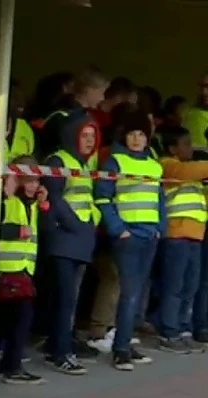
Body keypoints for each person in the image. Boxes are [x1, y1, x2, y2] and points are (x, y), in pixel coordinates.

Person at [94, 108, 162, 371]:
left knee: (137, 292)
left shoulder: (154, 164)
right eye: (132, 134)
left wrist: (159, 227)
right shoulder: (114, 161)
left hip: (149, 234)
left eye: (141, 134)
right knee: (130, 293)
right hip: (128, 235)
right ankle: (120, 349)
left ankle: (125, 343)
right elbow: (103, 197)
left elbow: (160, 200)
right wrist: (118, 229)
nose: (136, 139)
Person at [42, 110, 102, 375]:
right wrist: (78, 225)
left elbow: (86, 199)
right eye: (84, 135)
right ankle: (61, 352)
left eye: (92, 136)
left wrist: (93, 222)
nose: (89, 141)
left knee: (69, 298)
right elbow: (54, 199)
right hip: (64, 239)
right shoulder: (58, 160)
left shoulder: (85, 163)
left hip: (81, 239)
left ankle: (59, 344)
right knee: (66, 298)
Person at [0, 156, 47, 384]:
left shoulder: (33, 205)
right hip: (7, 269)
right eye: (30, 180)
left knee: (11, 320)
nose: (34, 185)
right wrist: (18, 231)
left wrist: (44, 206)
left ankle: (7, 364)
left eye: (37, 181)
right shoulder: (6, 201)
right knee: (21, 319)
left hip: (24, 269)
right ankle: (11, 367)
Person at [156, 126, 208, 353]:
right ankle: (169, 333)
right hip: (176, 234)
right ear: (172, 148)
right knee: (174, 286)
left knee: (190, 286)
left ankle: (184, 330)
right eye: (185, 144)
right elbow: (186, 173)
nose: (190, 148)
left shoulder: (194, 171)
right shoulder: (168, 165)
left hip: (196, 235)